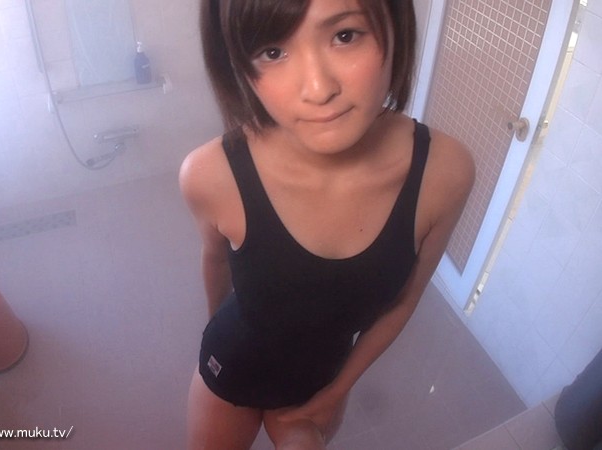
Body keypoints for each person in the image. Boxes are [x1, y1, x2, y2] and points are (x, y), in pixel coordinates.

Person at [180, 0, 474, 448]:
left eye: (345, 35)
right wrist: (210, 332)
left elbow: (403, 301)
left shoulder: (445, 173)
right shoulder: (210, 173)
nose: (318, 89)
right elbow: (214, 262)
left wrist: (337, 392)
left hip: (322, 379)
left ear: (395, 26)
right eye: (273, 51)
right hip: (233, 362)